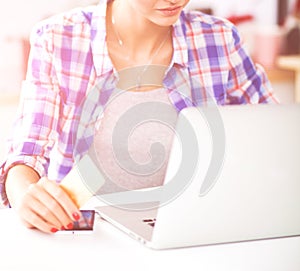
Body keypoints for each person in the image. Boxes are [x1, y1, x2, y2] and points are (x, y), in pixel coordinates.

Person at [0, 0, 278, 233]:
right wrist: (25, 194)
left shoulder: (219, 38)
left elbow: (276, 136)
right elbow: (26, 154)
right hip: (84, 236)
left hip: (192, 231)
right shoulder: (58, 37)